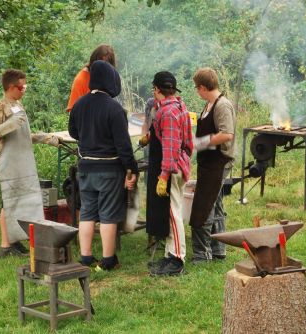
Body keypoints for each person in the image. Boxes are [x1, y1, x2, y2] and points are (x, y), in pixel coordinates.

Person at [68, 60, 138, 271]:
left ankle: (86, 257)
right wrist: (131, 169)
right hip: (109, 170)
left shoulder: (79, 104)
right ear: (110, 80)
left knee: (88, 211)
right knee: (108, 213)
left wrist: (88, 138)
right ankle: (108, 260)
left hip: (86, 168)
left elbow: (73, 132)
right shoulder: (115, 108)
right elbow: (123, 145)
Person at [0, 69, 59, 258]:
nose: (24, 90)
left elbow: (24, 136)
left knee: (21, 199)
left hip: (23, 158)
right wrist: (8, 125)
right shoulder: (0, 106)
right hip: (8, 160)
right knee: (8, 200)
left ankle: (14, 240)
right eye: (22, 87)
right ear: (11, 87)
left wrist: (43, 138)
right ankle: (5, 246)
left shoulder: (18, 104)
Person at [145, 71, 193, 276]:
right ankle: (170, 254)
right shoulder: (178, 105)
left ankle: (178, 260)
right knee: (172, 212)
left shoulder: (168, 113)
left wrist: (164, 176)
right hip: (179, 164)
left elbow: (171, 148)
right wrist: (149, 136)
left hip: (172, 168)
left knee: (173, 213)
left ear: (157, 89)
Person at [189, 67, 236, 263]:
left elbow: (227, 134)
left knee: (204, 206)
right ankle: (219, 249)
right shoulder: (209, 104)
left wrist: (203, 142)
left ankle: (202, 254)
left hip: (218, 161)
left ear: (203, 87)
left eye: (196, 88)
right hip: (208, 162)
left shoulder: (222, 105)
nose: (196, 91)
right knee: (215, 206)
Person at [66, 44, 116, 112]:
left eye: (106, 66)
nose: (103, 69)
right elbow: (73, 111)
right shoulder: (80, 80)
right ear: (93, 61)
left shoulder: (106, 78)